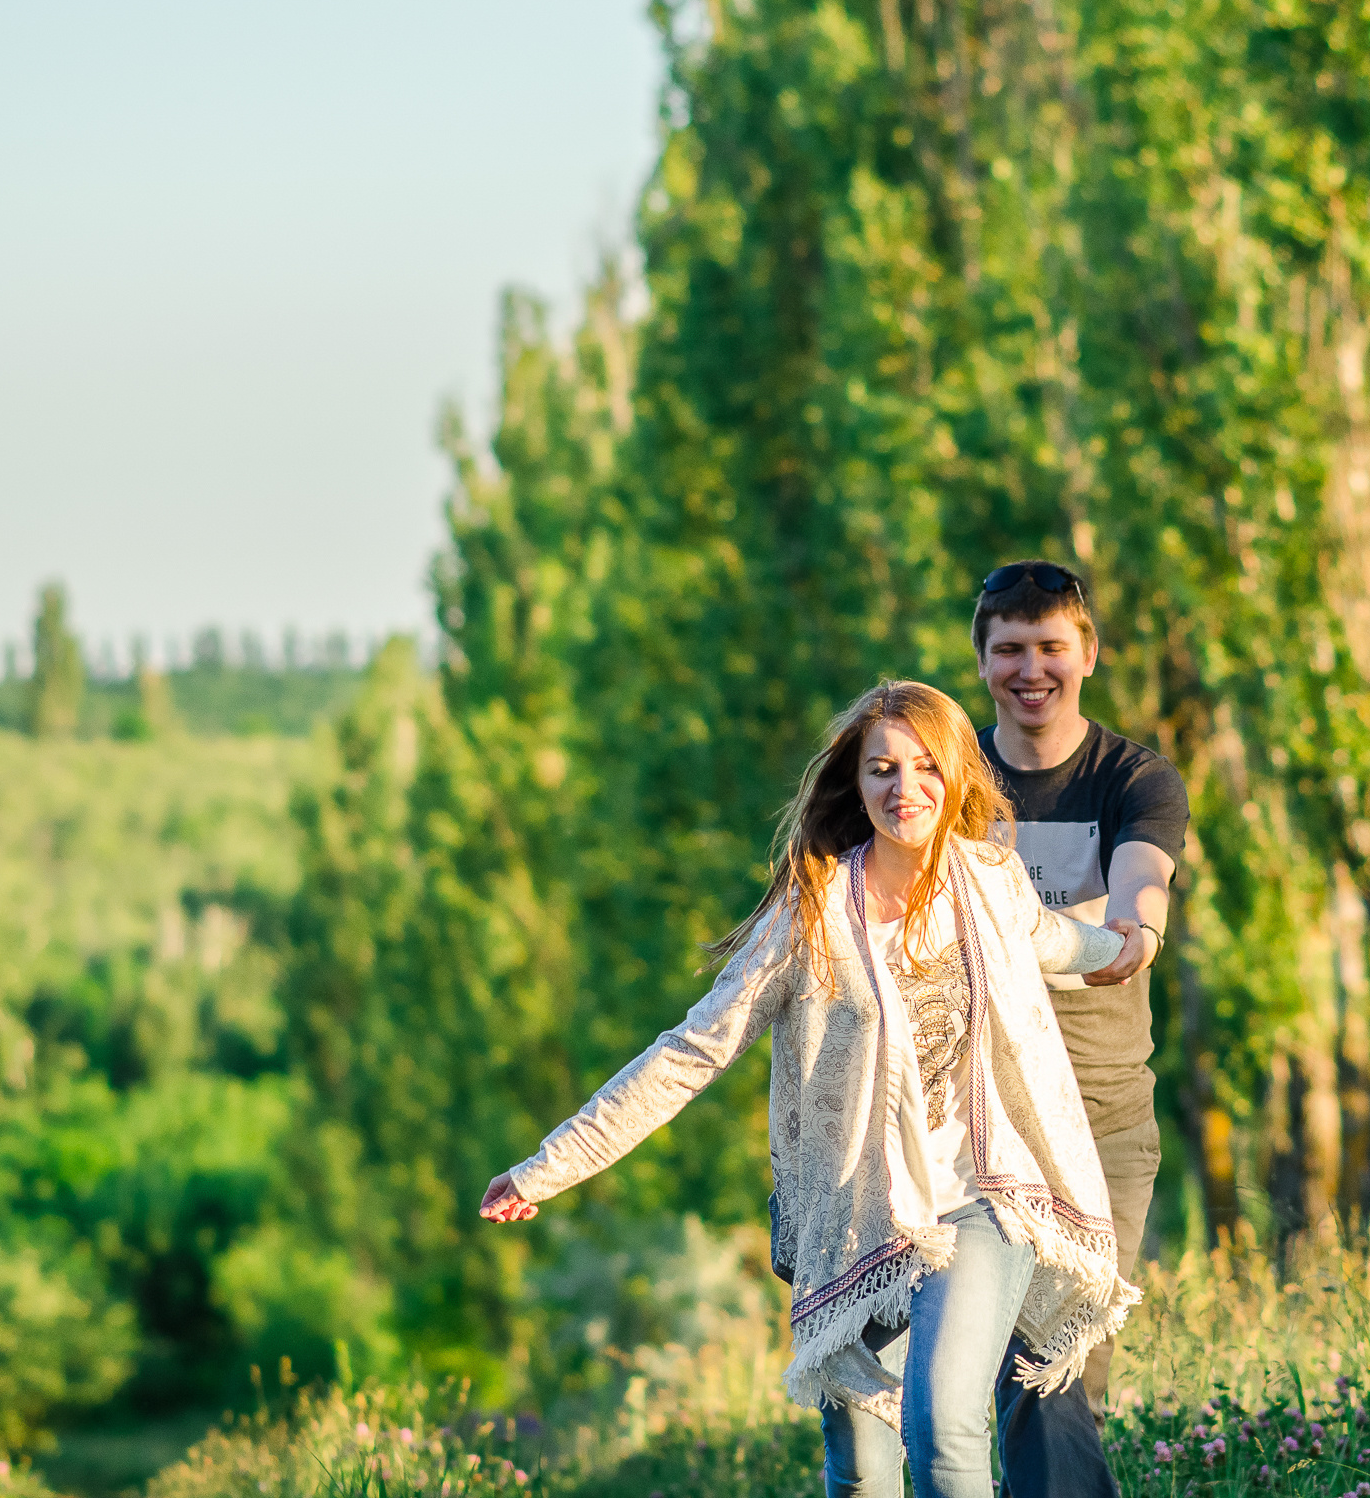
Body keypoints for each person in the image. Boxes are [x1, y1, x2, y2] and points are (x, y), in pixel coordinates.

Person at [476, 679, 1154, 1498]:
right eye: (883, 770)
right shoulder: (812, 913)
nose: (906, 789)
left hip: (988, 1196)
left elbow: (1052, 940)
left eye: (926, 766)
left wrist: (1123, 945)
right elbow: (692, 1051)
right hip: (857, 1215)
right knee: (863, 1472)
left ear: (957, 777)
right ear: (856, 783)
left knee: (943, 1426)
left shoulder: (992, 882)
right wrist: (549, 1165)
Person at [972, 561, 1190, 1498]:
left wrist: (1135, 931)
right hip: (981, 1119)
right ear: (981, 659)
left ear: (1087, 655)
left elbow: (1144, 881)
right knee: (1020, 1371)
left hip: (1102, 1119)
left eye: (1051, 648)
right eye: (1010, 650)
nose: (1032, 670)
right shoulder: (949, 780)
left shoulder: (1132, 777)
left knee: (1062, 1366)